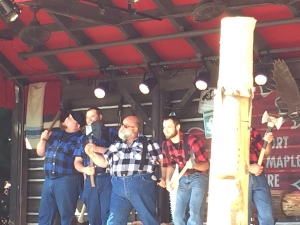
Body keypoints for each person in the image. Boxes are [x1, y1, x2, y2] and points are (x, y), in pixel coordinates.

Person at [85, 115, 162, 225]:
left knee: (148, 220)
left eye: (125, 126)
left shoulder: (148, 142)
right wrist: (91, 153)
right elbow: (104, 163)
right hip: (118, 187)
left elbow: (163, 161)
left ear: (135, 129)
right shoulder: (117, 144)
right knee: (114, 221)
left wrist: (164, 177)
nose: (122, 127)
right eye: (122, 125)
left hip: (140, 184)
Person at [36, 111, 86, 225]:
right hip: (49, 179)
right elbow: (40, 152)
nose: (67, 118)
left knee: (67, 217)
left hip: (67, 180)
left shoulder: (81, 139)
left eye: (71, 118)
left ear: (78, 126)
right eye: (68, 116)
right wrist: (42, 140)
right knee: (44, 215)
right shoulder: (55, 134)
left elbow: (78, 161)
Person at [161, 116, 209, 225]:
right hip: (183, 178)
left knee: (194, 212)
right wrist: (168, 181)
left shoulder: (192, 141)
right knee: (178, 216)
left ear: (177, 127)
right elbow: (170, 165)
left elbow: (206, 166)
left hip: (199, 177)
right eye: (164, 127)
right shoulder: (166, 145)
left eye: (169, 127)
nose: (165, 130)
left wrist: (194, 165)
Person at [74, 107, 117, 225]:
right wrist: (84, 169)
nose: (89, 119)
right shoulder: (83, 138)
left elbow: (118, 152)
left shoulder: (111, 133)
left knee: (108, 215)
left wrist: (97, 149)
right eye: (87, 117)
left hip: (108, 178)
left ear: (100, 117)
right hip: (90, 180)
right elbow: (77, 161)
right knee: (93, 217)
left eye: (92, 116)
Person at [248, 127, 274, 225]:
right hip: (240, 178)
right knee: (243, 215)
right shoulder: (226, 132)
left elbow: (266, 152)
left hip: (258, 176)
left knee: (267, 215)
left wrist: (268, 141)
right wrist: (248, 168)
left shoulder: (252, 130)